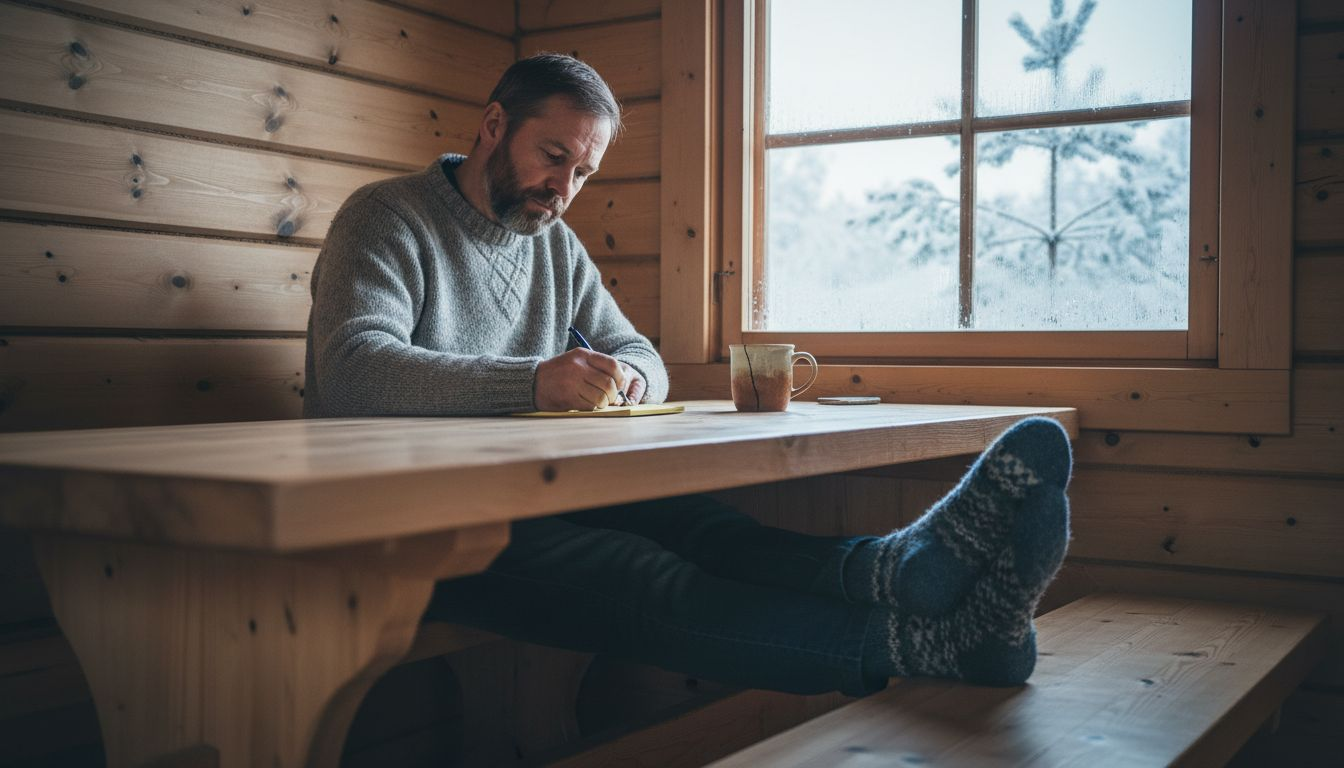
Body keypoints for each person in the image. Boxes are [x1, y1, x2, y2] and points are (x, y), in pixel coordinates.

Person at [305, 53, 1073, 697]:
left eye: (583, 171)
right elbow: (350, 372)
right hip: (408, 527)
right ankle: (927, 647)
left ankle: (898, 570)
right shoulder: (387, 218)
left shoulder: (556, 245)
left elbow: (641, 354)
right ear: (495, 125)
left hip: (527, 499)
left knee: (704, 528)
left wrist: (631, 381)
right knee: (642, 575)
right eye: (553, 156)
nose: (564, 188)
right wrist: (533, 382)